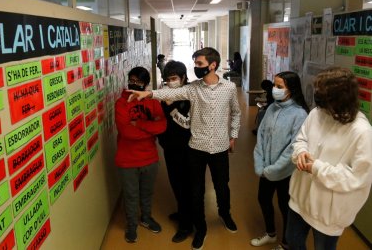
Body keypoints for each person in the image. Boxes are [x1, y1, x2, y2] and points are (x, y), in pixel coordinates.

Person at [128, 47, 241, 250]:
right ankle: (198, 227)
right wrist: (147, 93)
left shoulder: (228, 88)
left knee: (221, 186)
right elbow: (166, 95)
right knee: (192, 192)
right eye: (195, 64)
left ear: (212, 65)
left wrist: (233, 136)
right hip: (193, 147)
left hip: (216, 147)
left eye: (199, 64)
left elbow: (235, 112)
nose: (197, 67)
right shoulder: (193, 89)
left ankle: (224, 214)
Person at [286, 67, 372, 250]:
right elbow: (301, 139)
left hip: (327, 213)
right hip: (299, 199)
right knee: (293, 240)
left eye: (322, 93)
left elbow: (356, 178)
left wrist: (315, 168)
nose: (317, 97)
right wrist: (300, 152)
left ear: (340, 98)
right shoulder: (317, 114)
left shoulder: (361, 131)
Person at [251, 72, 309, 250]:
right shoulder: (272, 108)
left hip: (285, 172)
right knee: (263, 199)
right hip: (266, 168)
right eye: (275, 85)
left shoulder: (300, 114)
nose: (274, 89)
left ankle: (286, 243)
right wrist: (260, 164)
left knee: (286, 207)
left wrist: (273, 170)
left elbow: (293, 148)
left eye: (279, 86)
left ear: (291, 89)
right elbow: (260, 136)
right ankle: (270, 234)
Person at [114, 66, 167, 243]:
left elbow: (162, 126)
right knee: (130, 195)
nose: (135, 84)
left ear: (145, 84)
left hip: (150, 158)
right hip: (127, 159)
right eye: (132, 79)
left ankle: (146, 218)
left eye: (139, 81)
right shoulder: (121, 103)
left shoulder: (152, 102)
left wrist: (139, 124)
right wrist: (150, 129)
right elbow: (126, 131)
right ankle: (131, 225)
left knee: (147, 192)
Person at [157, 60, 193, 243]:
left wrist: (170, 105)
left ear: (184, 78)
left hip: (187, 150)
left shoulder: (190, 95)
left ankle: (186, 226)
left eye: (174, 78)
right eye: (167, 79)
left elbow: (186, 123)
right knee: (176, 184)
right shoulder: (166, 95)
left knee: (185, 187)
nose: (171, 82)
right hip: (170, 148)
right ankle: (182, 212)